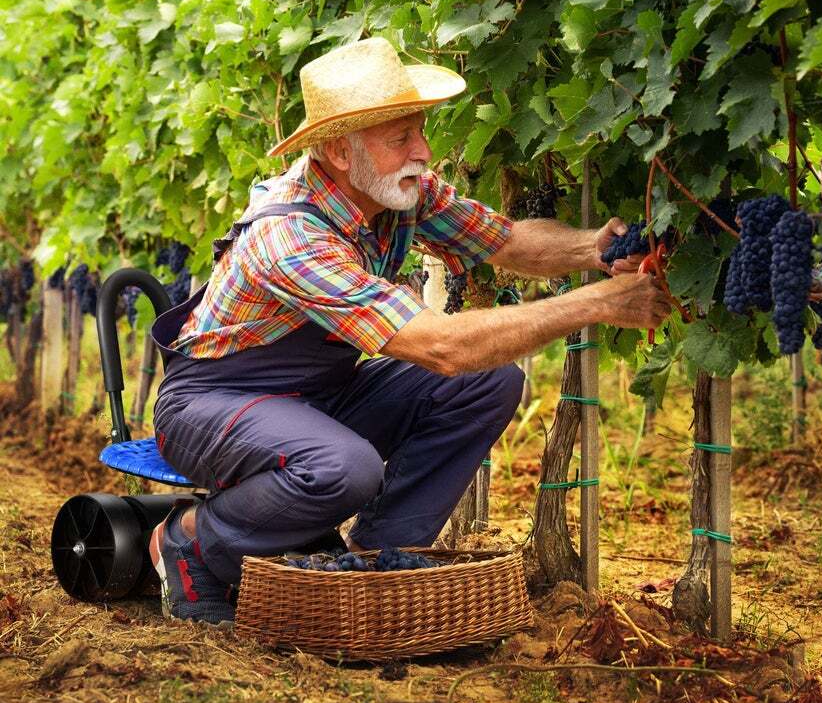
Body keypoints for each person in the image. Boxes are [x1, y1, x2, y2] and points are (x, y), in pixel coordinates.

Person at [148, 37, 670, 626]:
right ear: (342, 153)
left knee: (489, 383)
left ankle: (377, 563)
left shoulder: (395, 193)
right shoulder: (292, 237)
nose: (422, 150)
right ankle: (192, 536)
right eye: (401, 139)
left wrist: (593, 251)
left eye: (419, 130)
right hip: (212, 404)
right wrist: (594, 305)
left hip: (315, 398)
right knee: (345, 467)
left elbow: (506, 241)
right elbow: (441, 347)